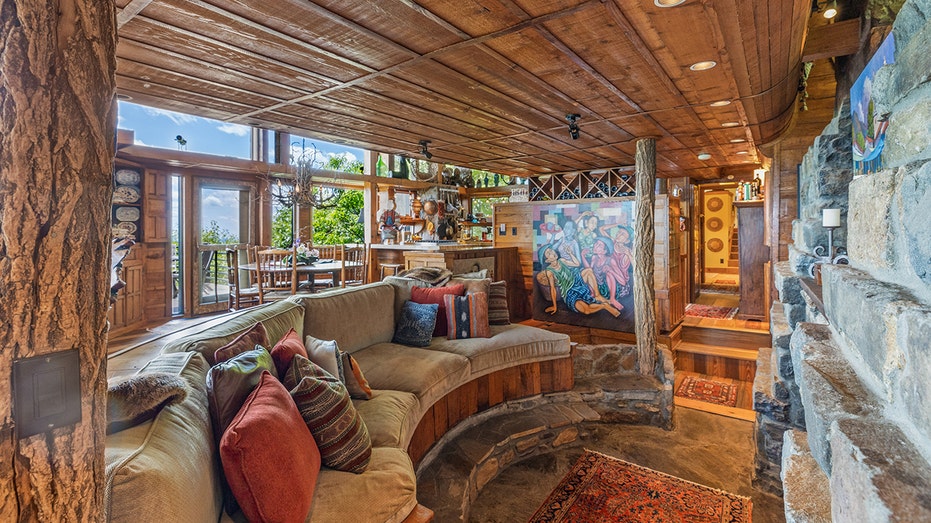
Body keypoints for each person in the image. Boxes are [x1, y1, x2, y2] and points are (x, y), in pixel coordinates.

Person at [535, 244, 620, 318]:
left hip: (576, 280)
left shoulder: (561, 260)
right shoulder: (549, 271)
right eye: (549, 253)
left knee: (588, 271)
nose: (552, 253)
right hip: (569, 292)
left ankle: (597, 295)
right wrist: (554, 306)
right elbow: (552, 288)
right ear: (547, 260)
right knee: (586, 310)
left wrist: (570, 253)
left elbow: (577, 264)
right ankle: (604, 306)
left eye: (551, 250)